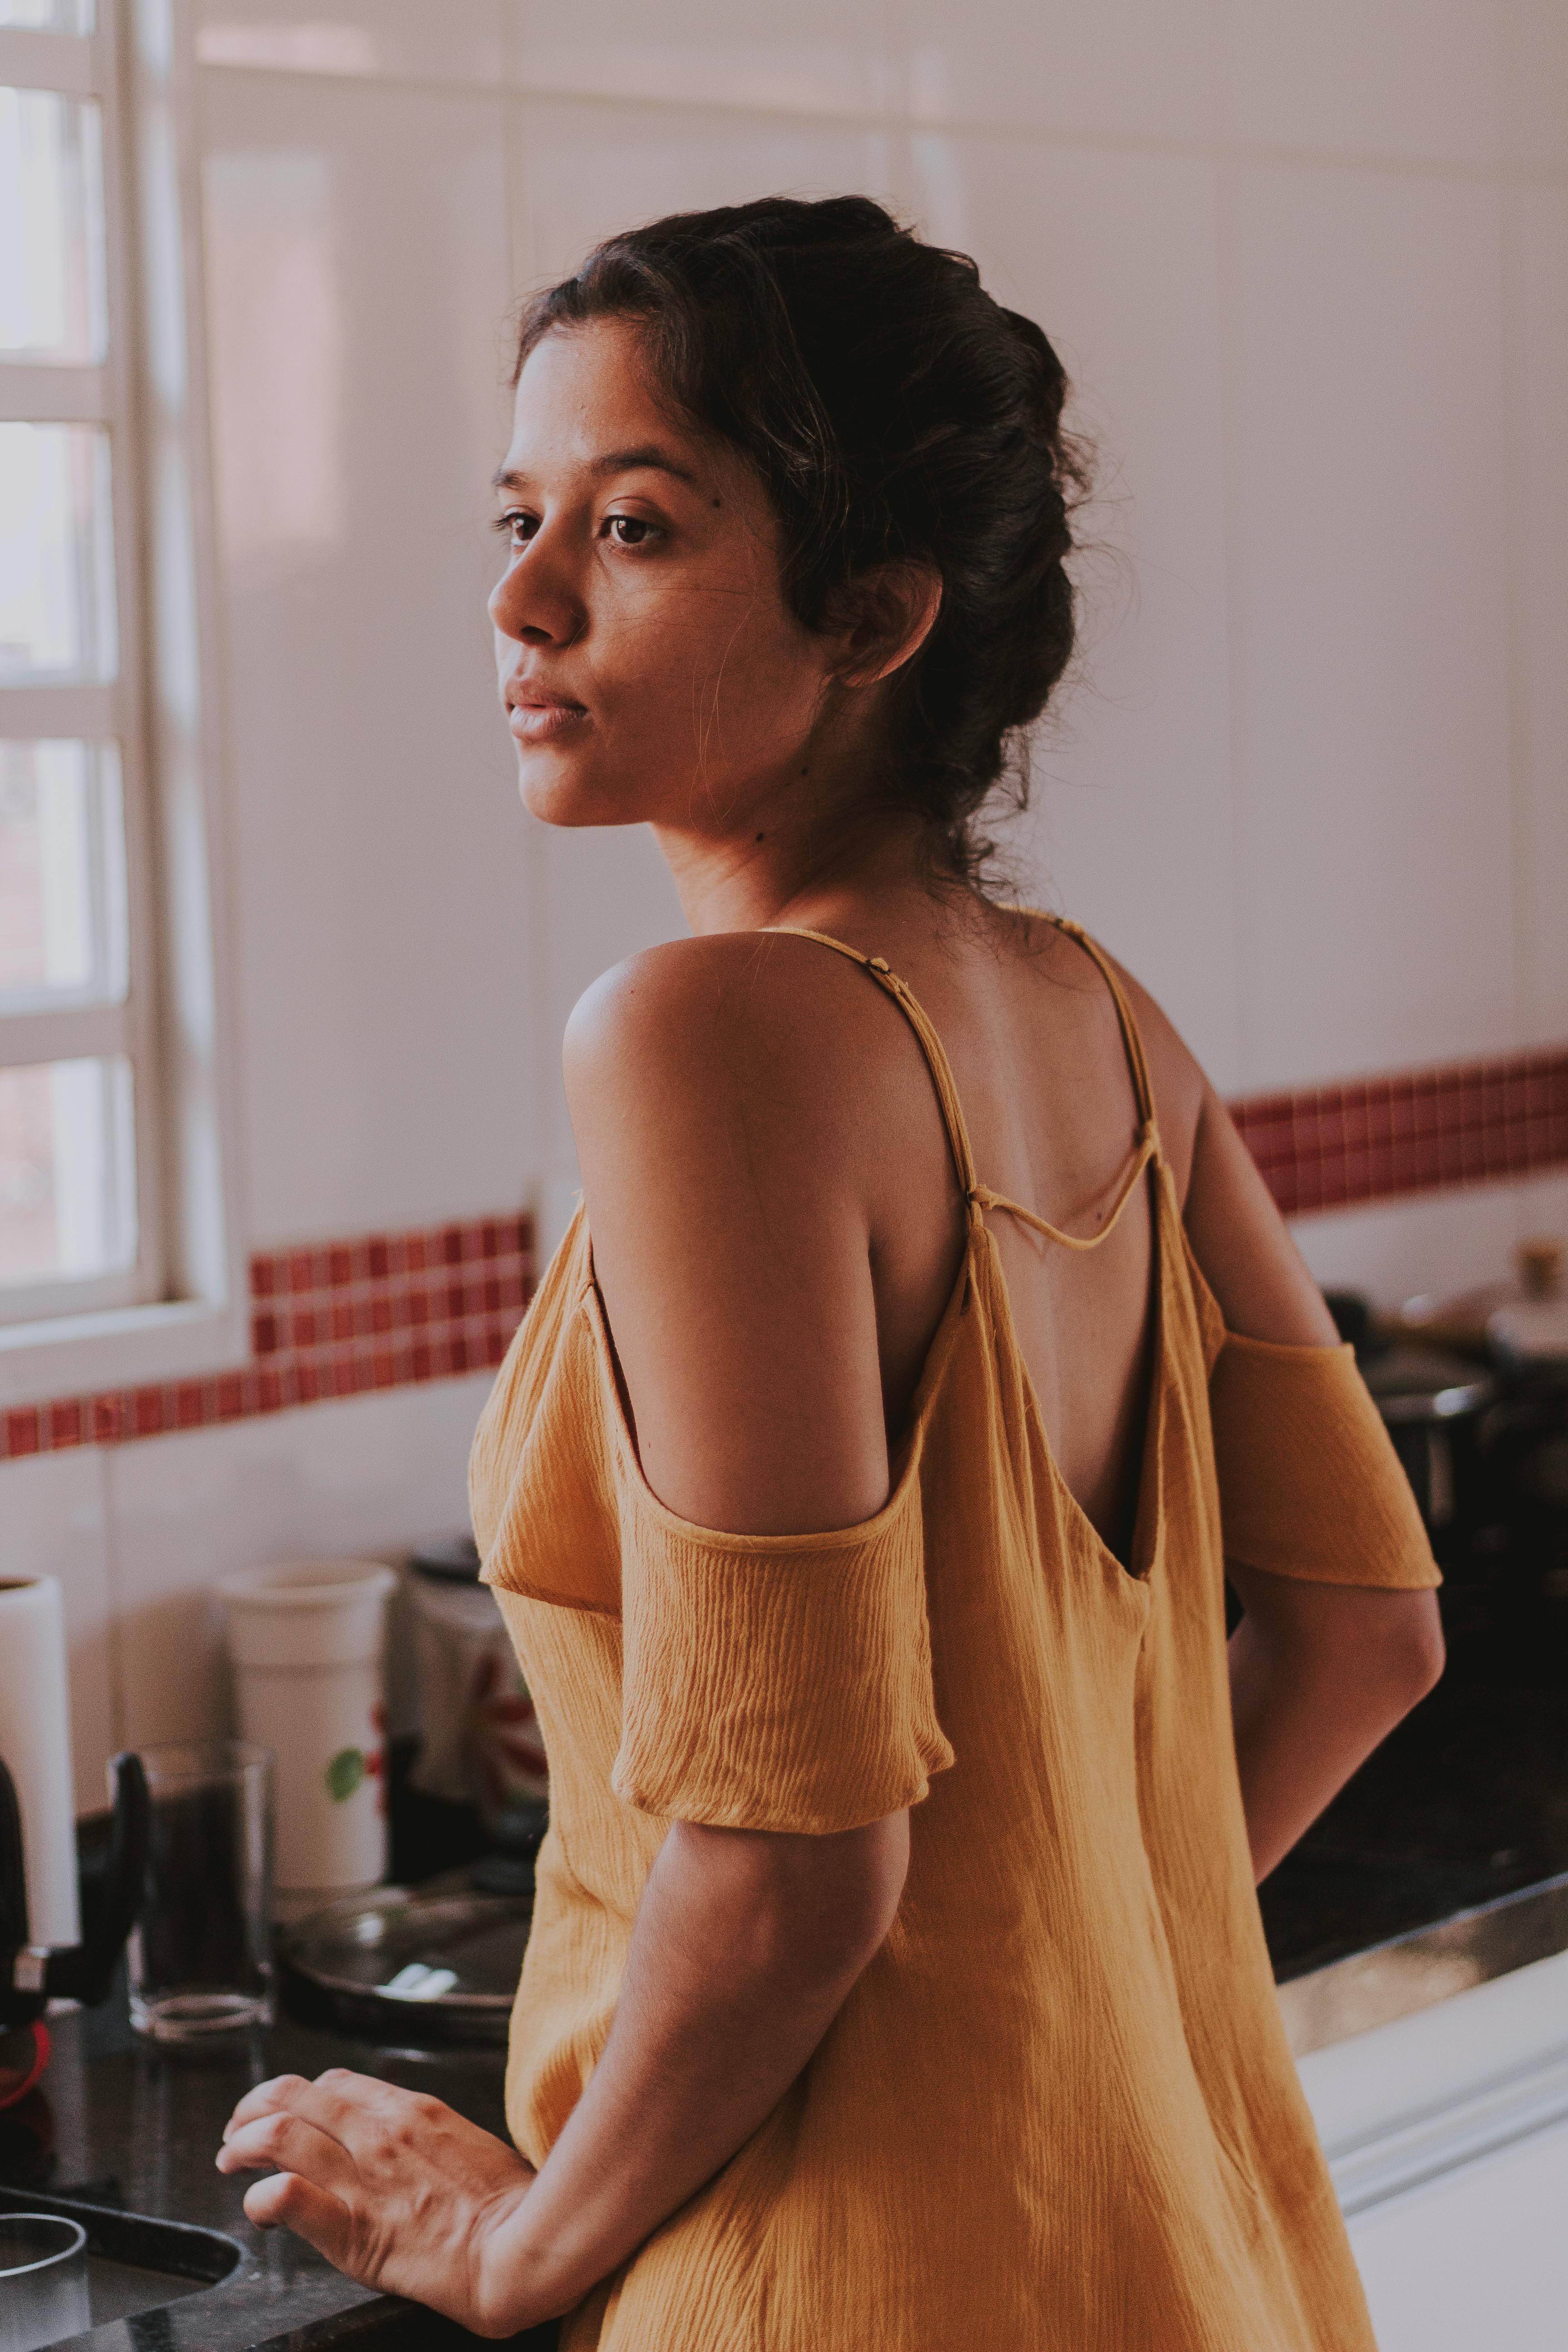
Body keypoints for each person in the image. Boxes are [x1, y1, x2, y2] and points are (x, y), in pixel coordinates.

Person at [218, 196, 1444, 2348]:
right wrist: (1054, 1998)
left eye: (635, 532)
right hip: (1180, 2247)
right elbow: (1368, 1638)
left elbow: (795, 1858)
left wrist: (511, 2237)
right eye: (520, 517)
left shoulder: (706, 1034)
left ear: (873, 615)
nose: (516, 599)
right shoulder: (1102, 1022)